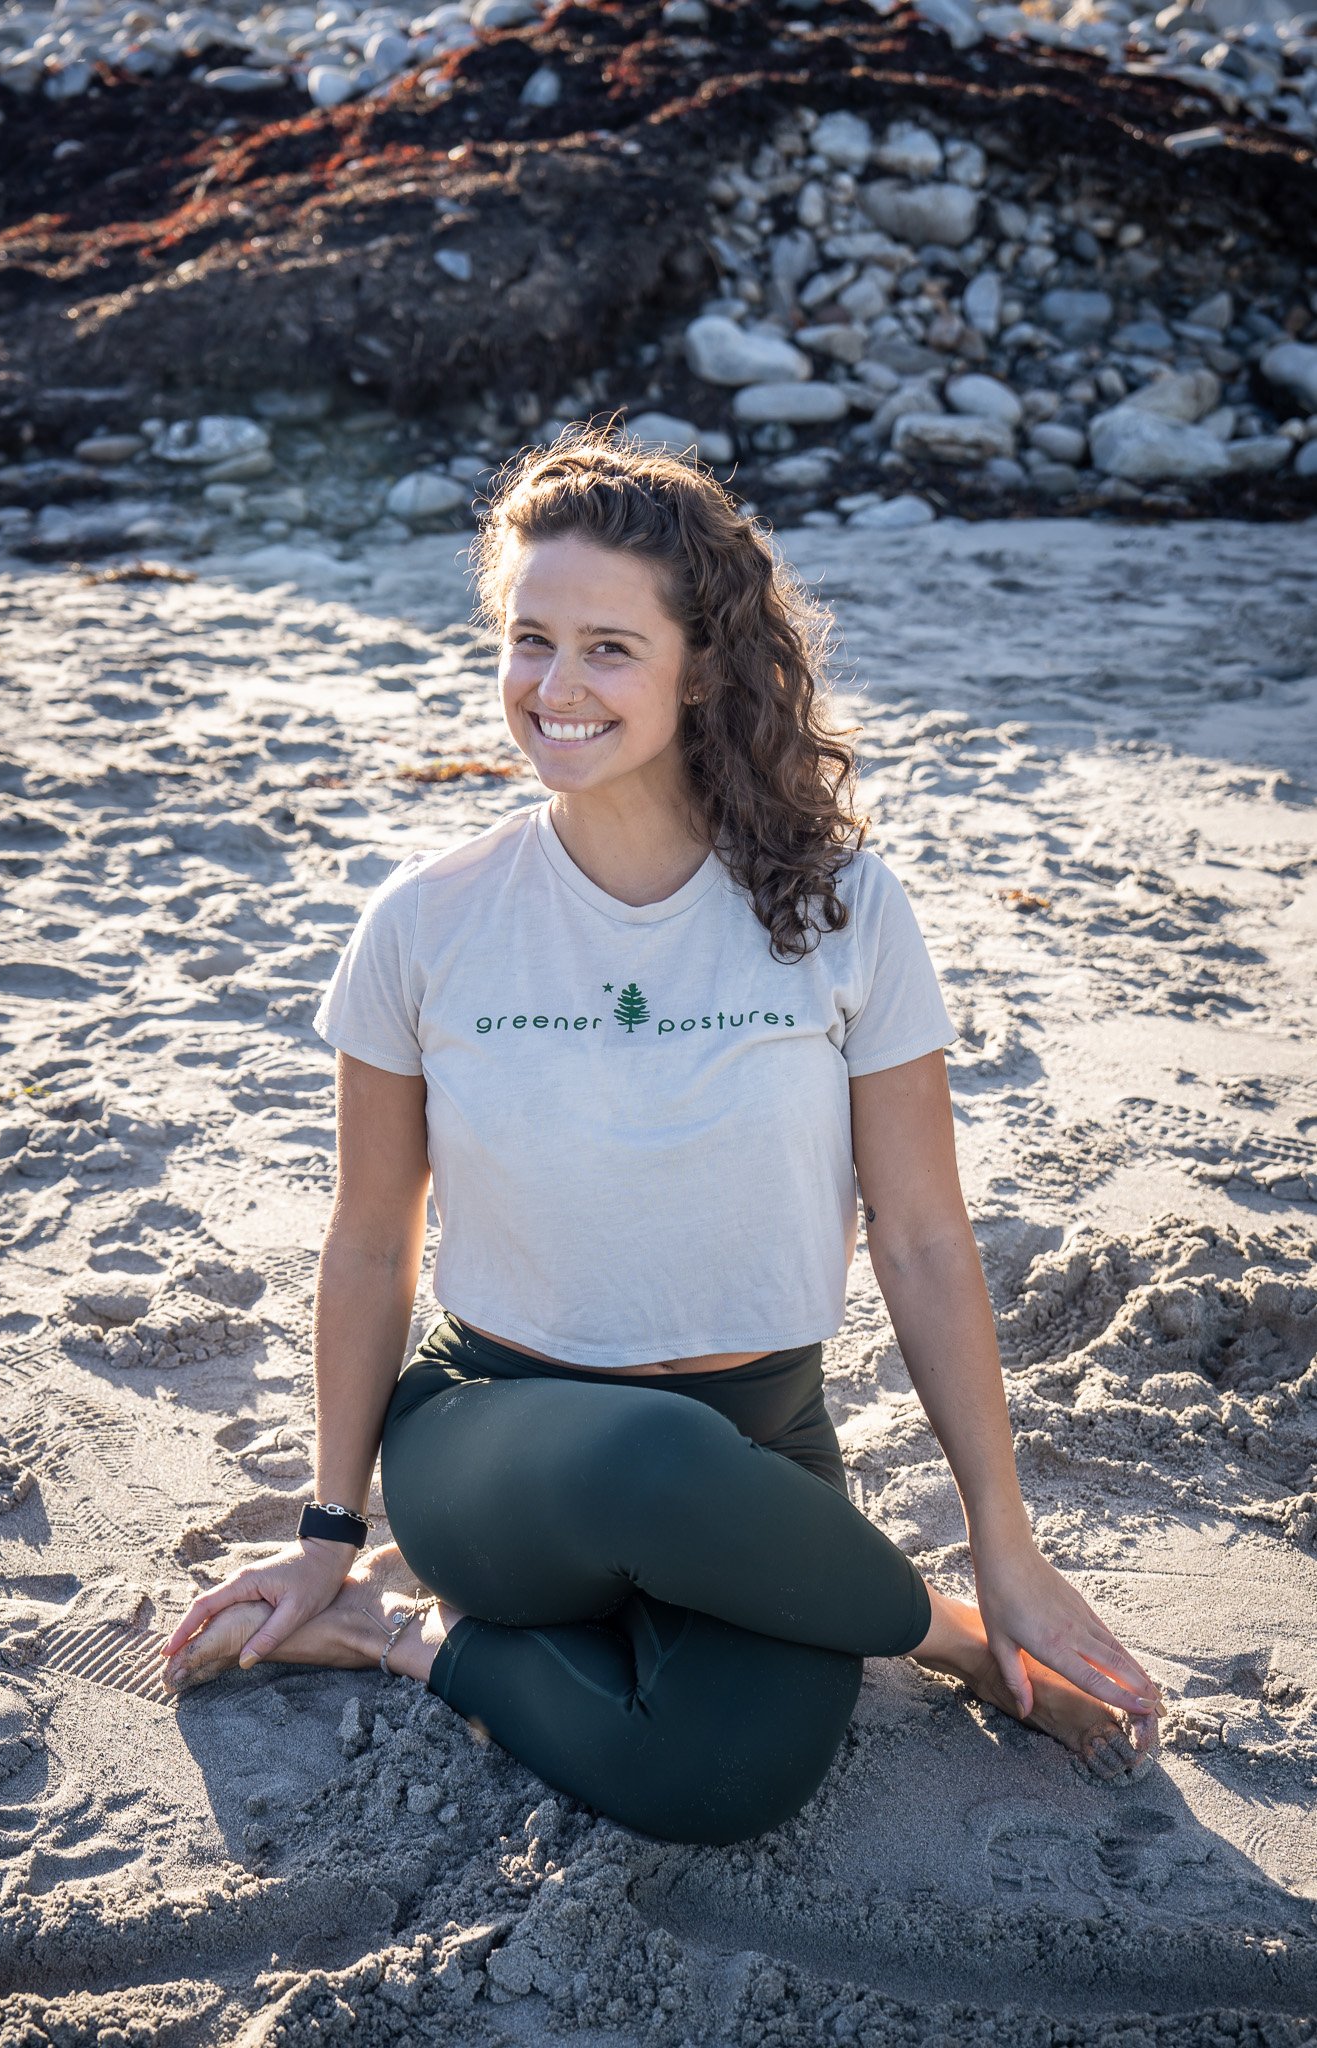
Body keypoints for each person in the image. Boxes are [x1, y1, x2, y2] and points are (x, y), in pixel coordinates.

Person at [160, 425, 1162, 1845]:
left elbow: (926, 1237)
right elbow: (370, 1242)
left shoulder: (843, 910)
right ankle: (938, 1635)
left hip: (756, 1434)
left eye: (609, 649)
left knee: (723, 1779)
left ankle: (397, 1637)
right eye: (530, 640)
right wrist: (329, 1530)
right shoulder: (426, 923)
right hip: (498, 1441)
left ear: (701, 666)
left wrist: (1009, 1540)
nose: (554, 687)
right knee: (649, 1462)